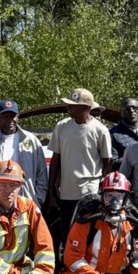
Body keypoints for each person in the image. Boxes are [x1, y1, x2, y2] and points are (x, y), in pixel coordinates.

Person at [47, 87, 114, 243]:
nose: (68, 107)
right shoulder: (61, 127)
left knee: (89, 235)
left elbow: (107, 163)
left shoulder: (101, 130)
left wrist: (103, 192)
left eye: (72, 104)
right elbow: (55, 160)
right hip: (66, 193)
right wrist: (51, 192)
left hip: (90, 193)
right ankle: (69, 266)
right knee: (68, 234)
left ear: (86, 108)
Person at [0, 98, 49, 213]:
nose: (9, 120)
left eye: (12, 116)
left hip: (26, 206)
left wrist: (38, 200)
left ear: (18, 117)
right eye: (5, 116)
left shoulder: (31, 141)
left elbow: (41, 174)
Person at [109, 97, 138, 170]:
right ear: (122, 112)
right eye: (127, 109)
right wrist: (135, 157)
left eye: (134, 108)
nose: (131, 111)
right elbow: (113, 163)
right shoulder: (114, 134)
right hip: (129, 179)